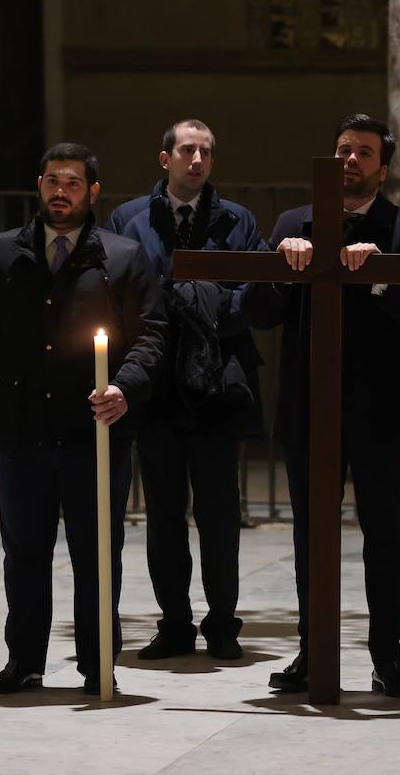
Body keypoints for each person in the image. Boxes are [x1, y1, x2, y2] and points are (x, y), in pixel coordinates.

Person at [246, 113, 400, 699]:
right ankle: (313, 653)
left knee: (384, 536)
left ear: (382, 169)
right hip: (309, 408)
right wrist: (282, 270)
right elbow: (255, 313)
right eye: (343, 149)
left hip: (379, 411)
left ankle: (388, 658)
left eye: (363, 152)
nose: (350, 160)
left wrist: (381, 277)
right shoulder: (293, 223)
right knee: (310, 537)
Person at [0, 142, 166, 696]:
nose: (61, 192)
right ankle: (24, 660)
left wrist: (125, 387)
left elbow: (151, 334)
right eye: (52, 181)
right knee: (24, 552)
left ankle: (98, 663)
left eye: (73, 183)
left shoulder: (122, 257)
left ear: (93, 192)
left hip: (93, 431)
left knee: (96, 554)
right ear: (39, 185)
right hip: (23, 429)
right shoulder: (2, 252)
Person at [106, 119, 267, 661]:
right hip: (156, 385)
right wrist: (166, 316)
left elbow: (254, 293)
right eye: (187, 151)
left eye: (206, 152)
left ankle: (222, 624)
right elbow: (119, 291)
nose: (197, 160)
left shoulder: (238, 220)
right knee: (164, 513)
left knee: (220, 515)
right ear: (165, 159)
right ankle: (175, 622)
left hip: (218, 383)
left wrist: (205, 313)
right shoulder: (129, 219)